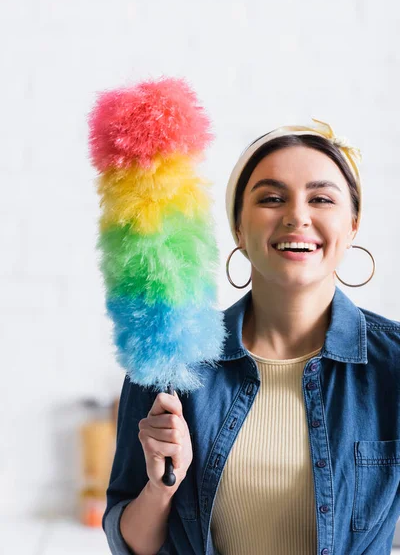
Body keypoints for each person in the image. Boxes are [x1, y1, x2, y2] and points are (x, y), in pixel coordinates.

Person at [102, 118, 400, 555]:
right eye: (272, 198)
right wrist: (160, 485)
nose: (297, 216)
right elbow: (131, 544)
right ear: (239, 228)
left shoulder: (393, 364)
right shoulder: (171, 363)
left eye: (321, 198)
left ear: (353, 225)